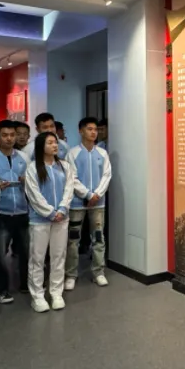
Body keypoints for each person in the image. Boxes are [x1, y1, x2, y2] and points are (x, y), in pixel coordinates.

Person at [24, 131, 76, 312]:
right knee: (37, 258)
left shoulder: (65, 166)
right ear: (41, 146)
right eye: (50, 143)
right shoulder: (32, 168)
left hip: (61, 218)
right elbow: (34, 195)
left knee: (58, 256)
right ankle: (37, 296)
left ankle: (56, 293)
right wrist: (50, 212)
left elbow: (69, 189)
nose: (55, 146)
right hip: (40, 220)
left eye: (56, 142)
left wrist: (61, 209)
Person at [0, 120, 31, 303]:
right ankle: (0, 290)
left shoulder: (24, 158)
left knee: (26, 251)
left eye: (12, 135)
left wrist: (26, 181)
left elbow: (33, 182)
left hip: (22, 210)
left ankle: (26, 284)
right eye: (5, 135)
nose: (9, 138)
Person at [65, 117, 112, 288]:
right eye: (89, 129)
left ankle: (98, 272)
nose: (93, 132)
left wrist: (97, 194)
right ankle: (71, 274)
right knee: (73, 240)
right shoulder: (72, 153)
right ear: (81, 131)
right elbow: (72, 178)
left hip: (98, 204)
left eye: (95, 129)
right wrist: (87, 194)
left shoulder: (102, 153)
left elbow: (107, 175)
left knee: (98, 237)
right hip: (77, 203)